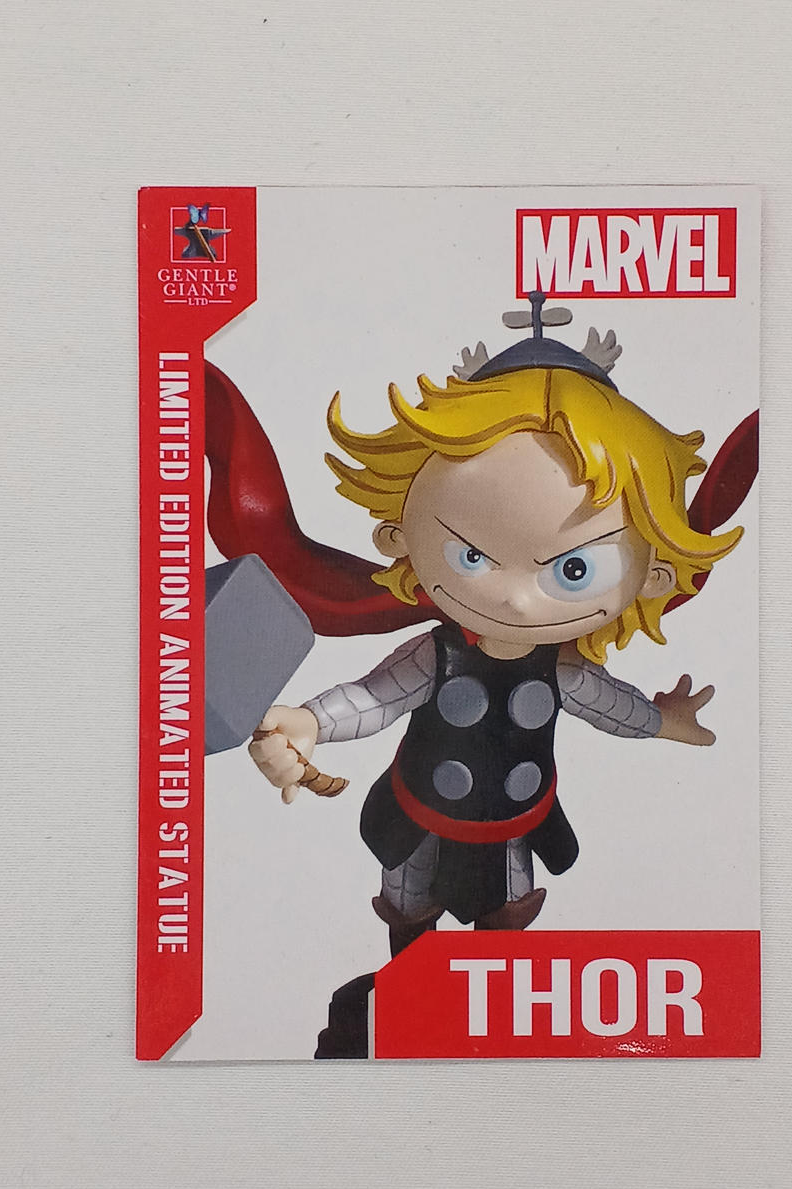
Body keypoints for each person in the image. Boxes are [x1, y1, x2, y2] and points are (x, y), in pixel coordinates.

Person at [248, 297, 742, 953]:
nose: (514, 600)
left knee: (506, 923)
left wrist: (661, 721)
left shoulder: (562, 669)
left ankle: (491, 1000)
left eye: (573, 570)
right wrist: (309, 721)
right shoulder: (437, 657)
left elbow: (608, 704)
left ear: (652, 576)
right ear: (399, 536)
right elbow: (375, 698)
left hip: (513, 829)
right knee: (409, 908)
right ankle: (407, 987)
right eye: (471, 556)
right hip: (419, 820)